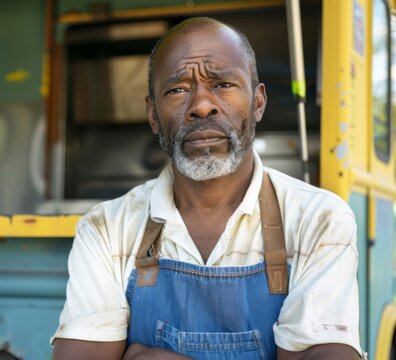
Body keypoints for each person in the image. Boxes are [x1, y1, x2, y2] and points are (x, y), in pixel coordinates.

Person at [52, 17, 364, 359]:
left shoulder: (318, 220)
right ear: (153, 114)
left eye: (223, 84)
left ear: (258, 102)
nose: (202, 105)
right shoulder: (106, 229)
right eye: (178, 90)